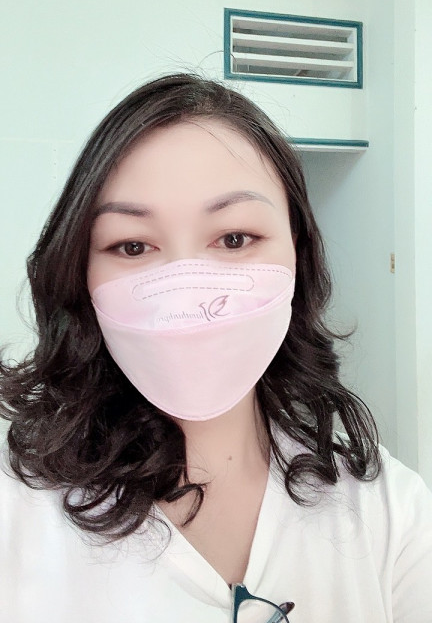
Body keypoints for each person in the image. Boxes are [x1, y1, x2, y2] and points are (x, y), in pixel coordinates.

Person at [0, 73, 431, 623]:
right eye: (132, 246)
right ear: (80, 274)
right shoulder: (16, 515)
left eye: (234, 238)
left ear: (297, 256)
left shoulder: (391, 513)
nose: (186, 287)